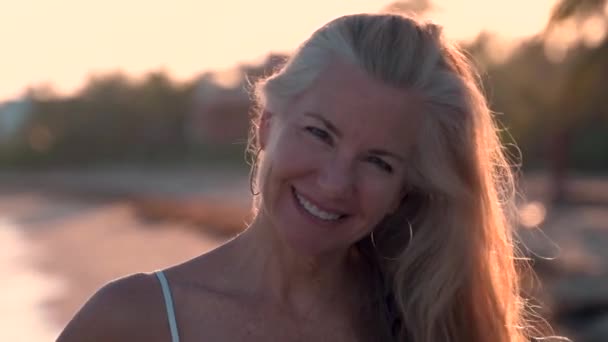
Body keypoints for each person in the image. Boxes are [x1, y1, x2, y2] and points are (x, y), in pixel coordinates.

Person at [57, 13, 535, 342]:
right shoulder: (132, 320)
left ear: (402, 192)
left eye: (378, 162)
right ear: (266, 126)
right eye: (319, 133)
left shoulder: (426, 326)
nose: (333, 182)